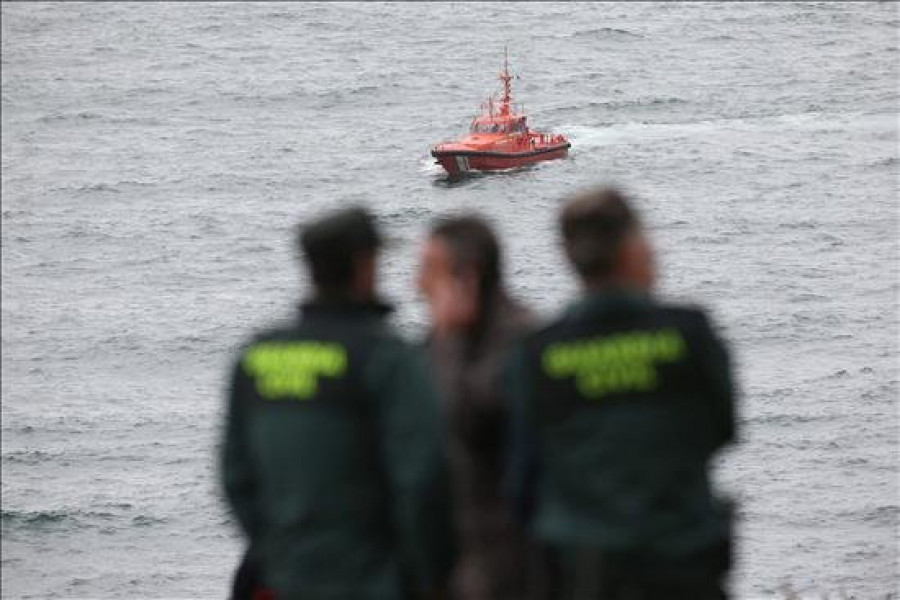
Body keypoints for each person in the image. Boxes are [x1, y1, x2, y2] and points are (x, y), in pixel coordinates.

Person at [506, 187, 738, 599]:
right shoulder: (687, 334)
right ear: (633, 246)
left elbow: (524, 474)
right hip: (681, 560)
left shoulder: (538, 353)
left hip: (585, 570)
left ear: (569, 257)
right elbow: (724, 427)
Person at [222, 206, 456, 599]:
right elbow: (424, 478)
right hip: (372, 579)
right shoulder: (387, 358)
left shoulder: (256, 357)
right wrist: (424, 574)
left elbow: (235, 478)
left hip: (287, 578)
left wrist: (278, 553)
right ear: (364, 266)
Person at [417, 215, 540, 600]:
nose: (416, 284)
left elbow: (470, 419)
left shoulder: (521, 344)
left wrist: (445, 338)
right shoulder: (436, 346)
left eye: (428, 271)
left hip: (508, 562)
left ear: (466, 278)